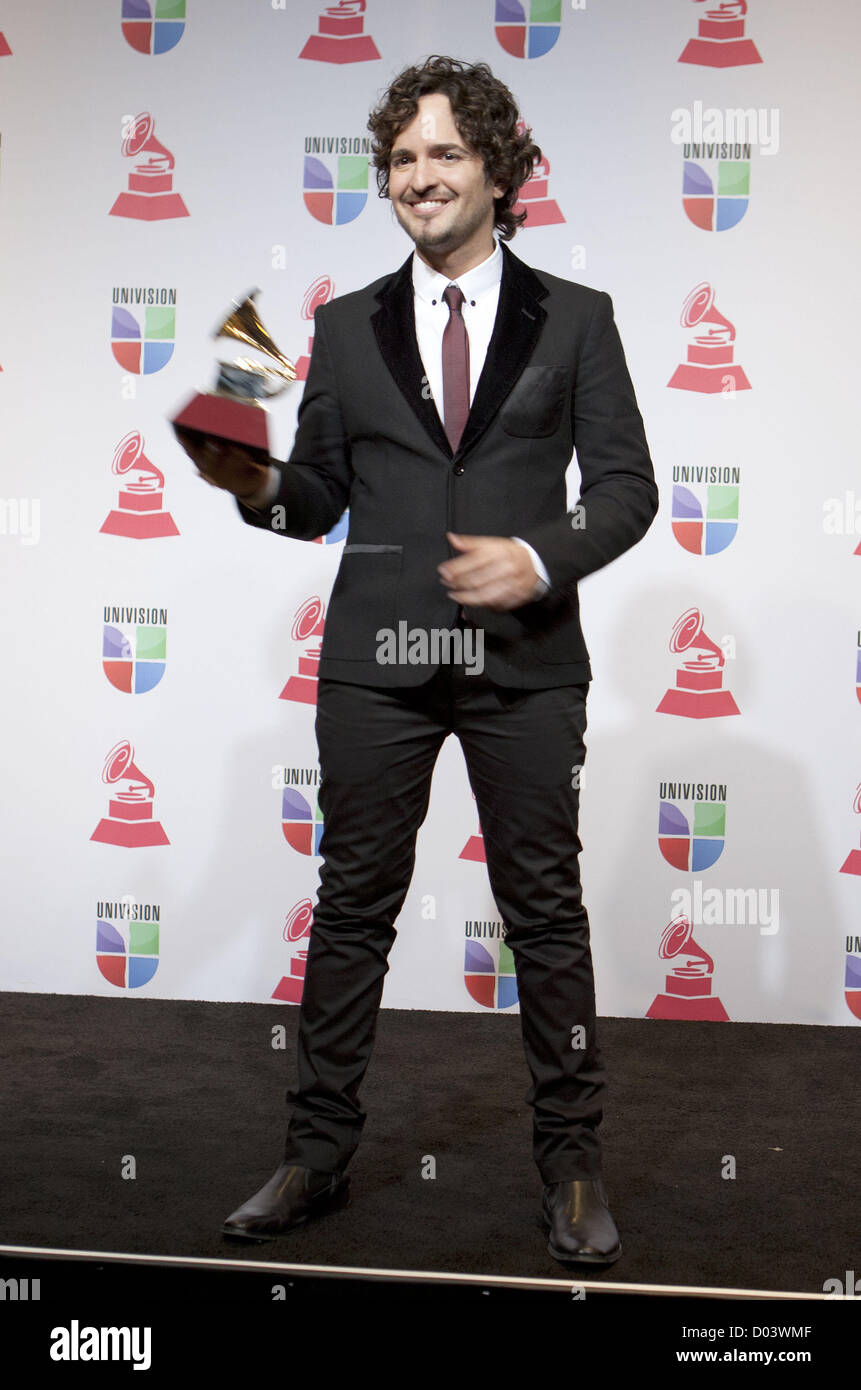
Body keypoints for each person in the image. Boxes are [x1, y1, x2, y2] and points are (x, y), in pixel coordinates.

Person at [176, 54, 658, 1267]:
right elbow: (321, 492)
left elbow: (628, 491)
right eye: (401, 159)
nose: (420, 177)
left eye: (446, 153)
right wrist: (255, 482)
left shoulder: (580, 319)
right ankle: (313, 1156)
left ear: (500, 170)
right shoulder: (343, 327)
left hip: (525, 659)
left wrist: (540, 560)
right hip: (377, 657)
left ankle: (575, 1167)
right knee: (351, 912)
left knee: (545, 919)